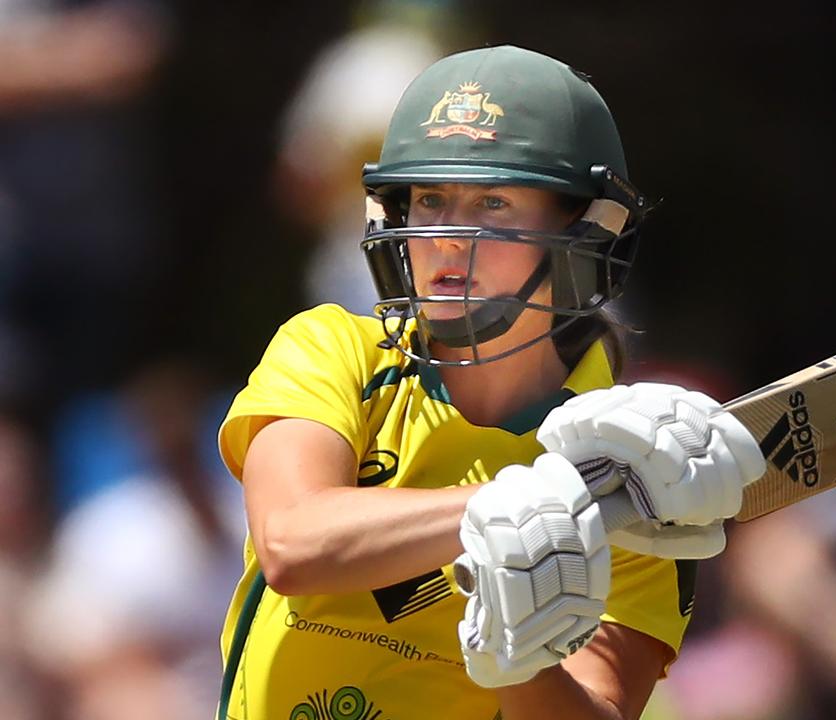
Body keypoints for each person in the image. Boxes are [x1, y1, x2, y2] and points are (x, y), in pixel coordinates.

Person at [215, 45, 765, 720]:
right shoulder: (333, 349)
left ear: (586, 229)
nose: (447, 236)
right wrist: (532, 502)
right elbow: (293, 543)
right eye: (429, 199)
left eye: (494, 201)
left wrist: (518, 661)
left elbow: (602, 708)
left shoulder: (639, 462)